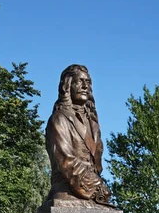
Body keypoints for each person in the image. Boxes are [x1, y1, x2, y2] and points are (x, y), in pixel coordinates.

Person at [45, 64, 112, 205]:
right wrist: (96, 184)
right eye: (79, 81)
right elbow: (66, 160)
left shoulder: (93, 125)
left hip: (91, 194)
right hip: (66, 192)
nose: (85, 86)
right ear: (68, 86)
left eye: (88, 82)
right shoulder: (59, 119)